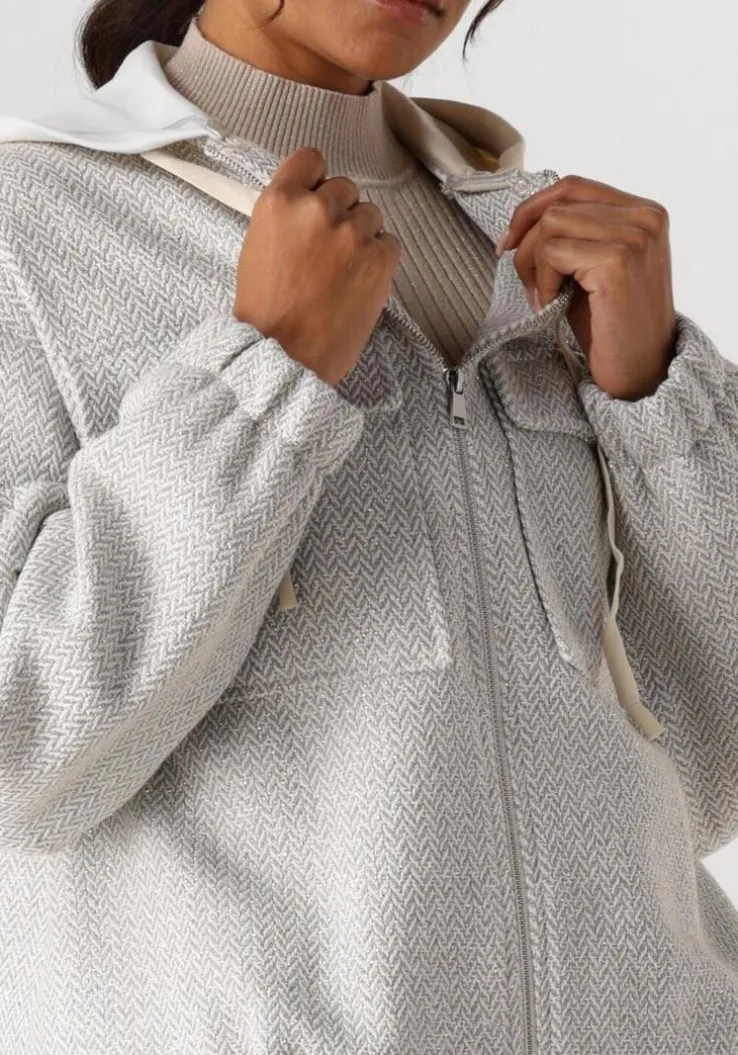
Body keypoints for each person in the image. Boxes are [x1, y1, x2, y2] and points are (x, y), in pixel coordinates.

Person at [0, 0, 737, 1051]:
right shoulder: (31, 228)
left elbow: (706, 771)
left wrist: (662, 404)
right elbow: (20, 752)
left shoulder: (536, 247)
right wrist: (267, 377)